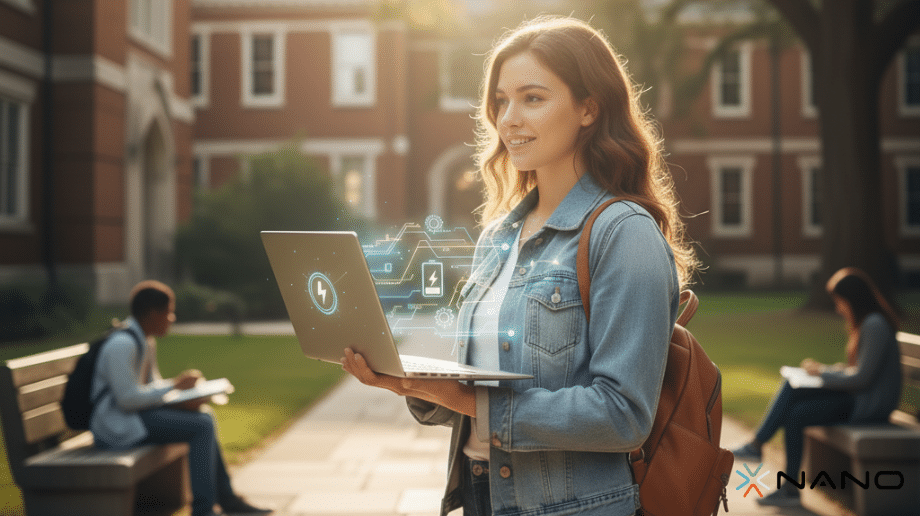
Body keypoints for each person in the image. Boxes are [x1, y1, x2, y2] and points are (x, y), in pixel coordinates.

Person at [341, 16, 699, 516]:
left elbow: (623, 415)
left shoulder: (623, 233)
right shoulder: (498, 236)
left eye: (533, 98)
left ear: (589, 108)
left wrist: (470, 401)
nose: (509, 118)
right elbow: (488, 393)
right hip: (481, 495)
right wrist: (412, 382)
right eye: (501, 101)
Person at [90, 280, 271, 516]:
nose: (172, 318)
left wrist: (183, 397)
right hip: (115, 427)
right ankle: (206, 509)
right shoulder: (122, 344)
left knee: (203, 415)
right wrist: (174, 387)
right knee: (201, 425)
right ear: (153, 314)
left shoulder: (144, 340)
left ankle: (225, 501)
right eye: (169, 312)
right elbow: (127, 399)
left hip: (133, 418)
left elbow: (150, 390)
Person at [732, 267, 902, 507]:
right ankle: (770, 463)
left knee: (796, 402)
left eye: (840, 302)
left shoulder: (874, 325)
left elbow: (861, 379)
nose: (838, 308)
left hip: (867, 407)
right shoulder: (870, 323)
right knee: (795, 395)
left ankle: (760, 449)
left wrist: (822, 376)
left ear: (854, 299)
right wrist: (822, 370)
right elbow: (856, 372)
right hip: (859, 400)